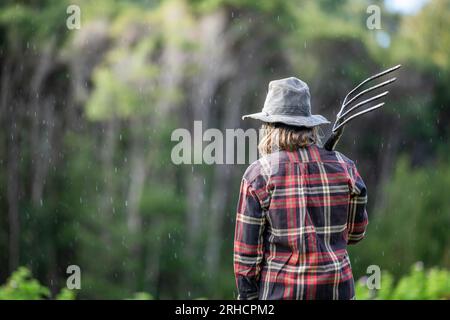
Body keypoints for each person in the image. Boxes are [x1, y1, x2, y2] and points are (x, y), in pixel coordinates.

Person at [234, 77, 368, 300]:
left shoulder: (258, 175)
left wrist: (248, 299)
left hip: (282, 293)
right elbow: (355, 234)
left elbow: (247, 258)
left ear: (270, 127)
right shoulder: (346, 167)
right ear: (309, 126)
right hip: (338, 292)